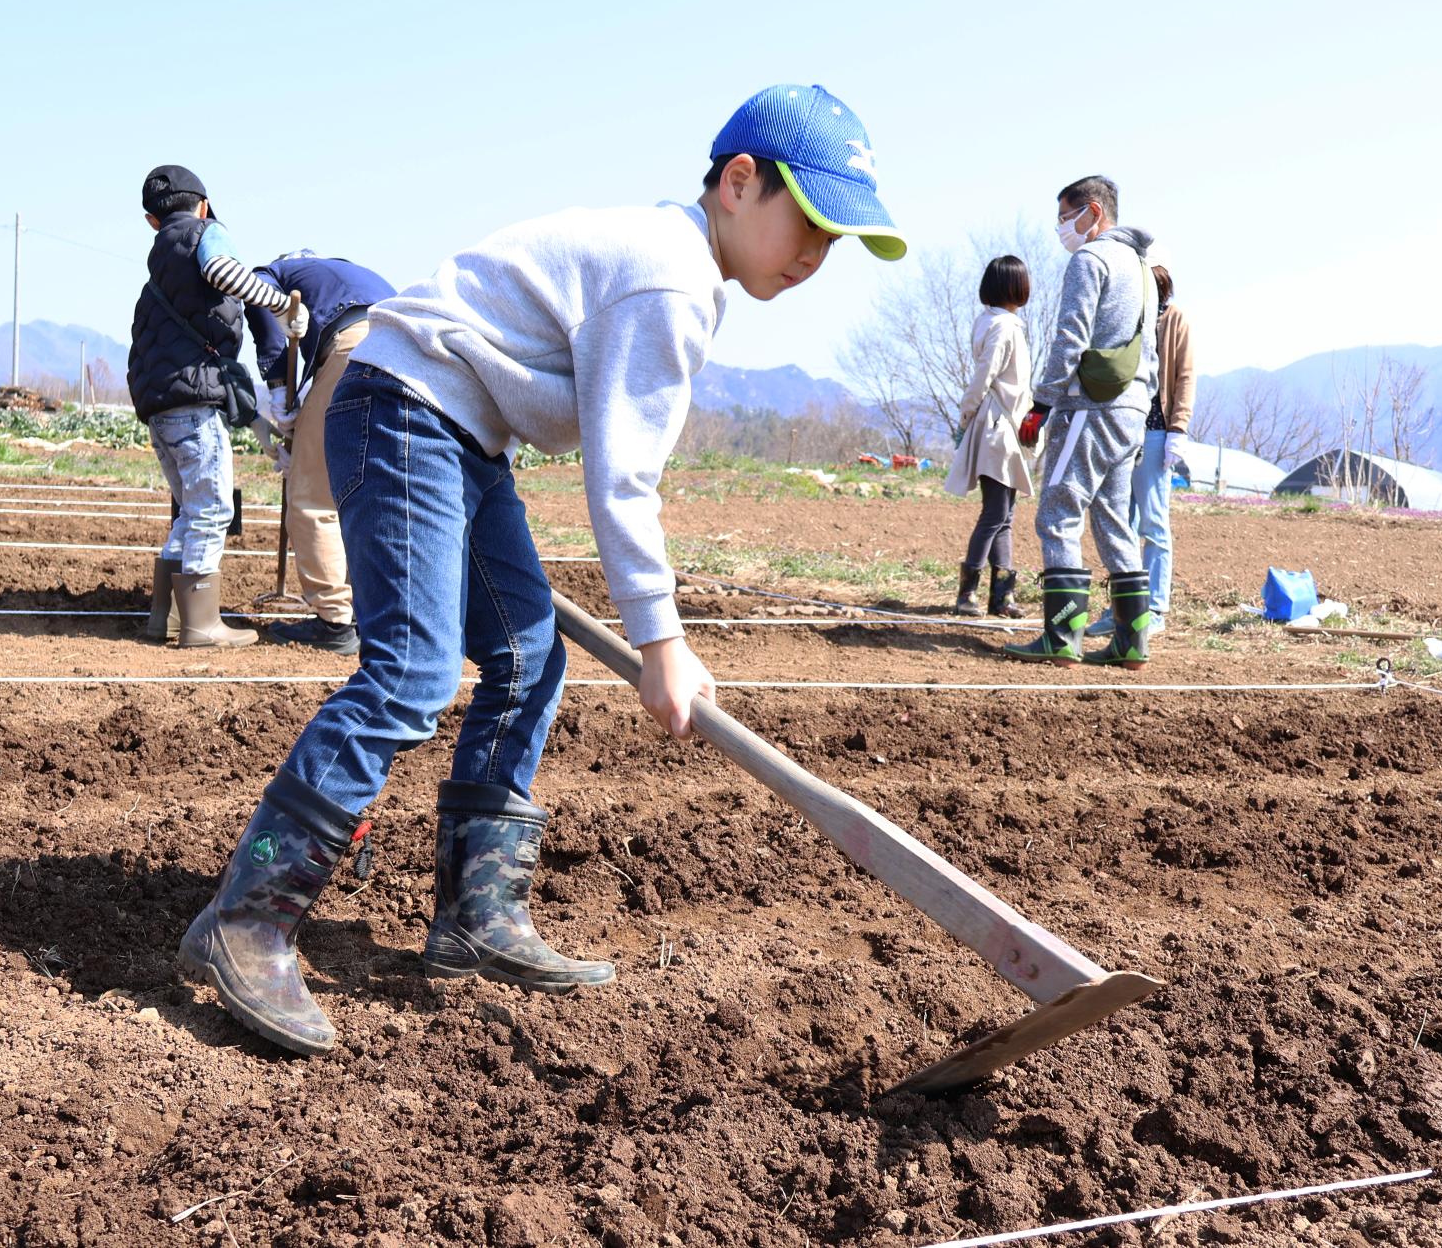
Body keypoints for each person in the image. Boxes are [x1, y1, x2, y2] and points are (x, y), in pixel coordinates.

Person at [177, 85, 906, 1056]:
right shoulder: (670, 280)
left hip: (454, 427)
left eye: (838, 238)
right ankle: (248, 918)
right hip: (406, 409)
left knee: (527, 654)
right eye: (809, 219)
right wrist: (662, 641)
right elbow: (623, 479)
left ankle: (477, 914)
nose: (817, 253)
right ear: (740, 183)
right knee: (410, 676)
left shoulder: (673, 266)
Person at [130, 165, 306, 650]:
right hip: (192, 407)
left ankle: (164, 618)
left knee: (190, 509)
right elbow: (223, 271)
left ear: (152, 221)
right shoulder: (208, 233)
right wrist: (281, 307)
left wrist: (255, 421)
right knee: (213, 508)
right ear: (203, 206)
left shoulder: (159, 272)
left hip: (159, 408)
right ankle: (201, 625)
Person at [1002, 175, 1158, 668]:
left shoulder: (1089, 260)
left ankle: (1061, 637)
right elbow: (1148, 349)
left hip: (1087, 408)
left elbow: (1070, 335)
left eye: (1066, 216)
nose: (1062, 227)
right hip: (1132, 409)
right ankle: (1132, 642)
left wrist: (1044, 401)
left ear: (1093, 212)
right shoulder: (1142, 267)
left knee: (1057, 511)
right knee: (1114, 519)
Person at [245, 250, 398, 656]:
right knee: (375, 489)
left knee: (313, 492)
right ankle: (383, 613)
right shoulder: (358, 273)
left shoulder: (276, 272)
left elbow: (259, 299)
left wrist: (278, 386)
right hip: (407, 354)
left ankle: (333, 620)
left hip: (352, 347)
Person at [1085, 248, 1193, 639]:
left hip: (1155, 430)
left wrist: (1178, 429)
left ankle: (1156, 607)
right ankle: (1121, 606)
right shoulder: (1128, 317)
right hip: (1121, 427)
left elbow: (1184, 376)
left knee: (1153, 521)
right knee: (1120, 521)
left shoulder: (1172, 318)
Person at [943, 255, 1035, 617]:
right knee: (996, 512)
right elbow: (986, 373)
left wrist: (968, 418)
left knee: (1004, 513)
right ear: (1017, 287)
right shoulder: (1006, 327)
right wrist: (967, 414)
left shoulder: (987, 322)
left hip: (995, 425)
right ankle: (969, 594)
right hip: (999, 426)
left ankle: (1003, 596)